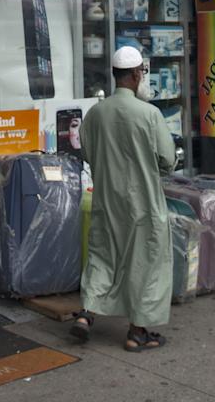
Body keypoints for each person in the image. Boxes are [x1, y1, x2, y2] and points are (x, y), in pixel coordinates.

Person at [69, 46, 177, 352]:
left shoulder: (95, 114)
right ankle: (137, 332)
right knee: (147, 261)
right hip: (143, 204)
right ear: (136, 75)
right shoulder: (149, 114)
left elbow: (87, 153)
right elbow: (167, 160)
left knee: (102, 255)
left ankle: (86, 313)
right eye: (142, 72)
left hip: (106, 199)